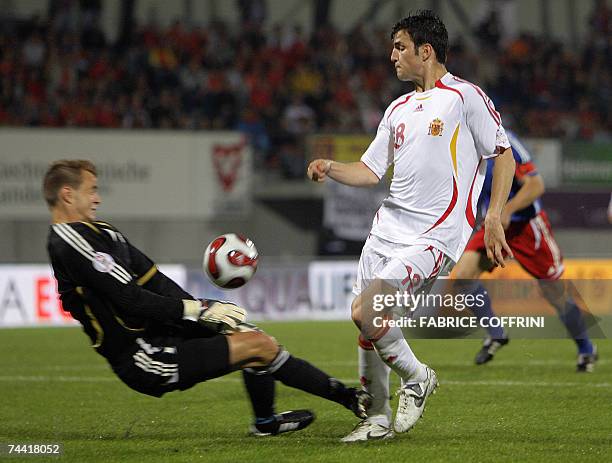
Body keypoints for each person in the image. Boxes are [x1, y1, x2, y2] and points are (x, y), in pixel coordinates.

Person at [44, 159, 371, 437]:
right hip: (143, 356)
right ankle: (345, 398)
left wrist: (205, 313)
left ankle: (270, 421)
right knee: (255, 346)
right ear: (68, 195)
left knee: (251, 336)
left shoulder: (103, 231)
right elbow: (129, 298)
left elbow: (154, 280)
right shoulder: (68, 241)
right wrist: (197, 310)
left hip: (163, 331)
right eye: (92, 190)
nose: (98, 198)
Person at [307, 10, 516, 442]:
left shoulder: (464, 97)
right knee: (366, 325)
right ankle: (377, 418)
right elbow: (369, 170)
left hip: (433, 235)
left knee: (368, 311)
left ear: (426, 51)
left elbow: (504, 154)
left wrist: (493, 217)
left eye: (400, 47)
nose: (392, 56)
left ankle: (418, 377)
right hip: (386, 231)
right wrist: (330, 167)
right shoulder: (398, 109)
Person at [453, 131, 598, 371]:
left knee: (555, 292)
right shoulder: (462, 147)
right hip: (493, 223)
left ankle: (586, 349)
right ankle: (496, 333)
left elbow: (535, 184)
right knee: (463, 277)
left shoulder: (504, 143)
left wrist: (507, 210)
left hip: (526, 226)